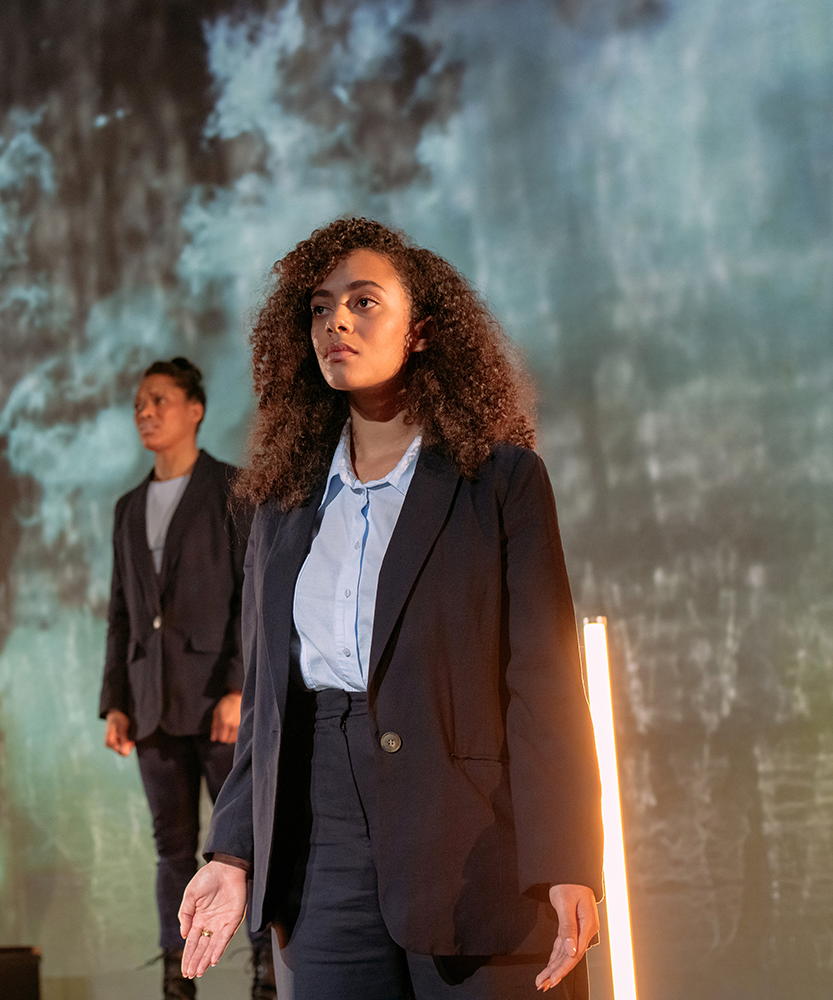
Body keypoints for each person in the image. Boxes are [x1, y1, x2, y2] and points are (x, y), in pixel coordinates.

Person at [177, 219, 605, 999]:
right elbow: (269, 704)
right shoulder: (281, 504)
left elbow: (544, 686)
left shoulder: (500, 482)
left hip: (473, 840)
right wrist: (233, 850)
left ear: (422, 333)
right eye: (319, 307)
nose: (336, 321)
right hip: (321, 844)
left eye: (364, 302)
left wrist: (567, 858)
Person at [99, 358, 275, 1000]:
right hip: (151, 704)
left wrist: (238, 688)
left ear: (195, 409)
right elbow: (121, 608)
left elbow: (250, 599)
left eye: (160, 401)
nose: (146, 412)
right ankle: (178, 976)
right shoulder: (127, 507)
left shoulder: (233, 489)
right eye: (140, 403)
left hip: (216, 703)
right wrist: (114, 702)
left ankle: (265, 969)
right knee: (170, 846)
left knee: (240, 845)